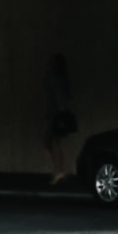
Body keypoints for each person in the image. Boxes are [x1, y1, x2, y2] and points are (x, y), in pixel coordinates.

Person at [43, 53, 76, 186]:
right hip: (59, 114)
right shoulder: (62, 79)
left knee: (52, 142)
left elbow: (57, 99)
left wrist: (58, 114)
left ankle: (59, 171)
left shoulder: (54, 79)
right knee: (53, 142)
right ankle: (61, 170)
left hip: (57, 115)